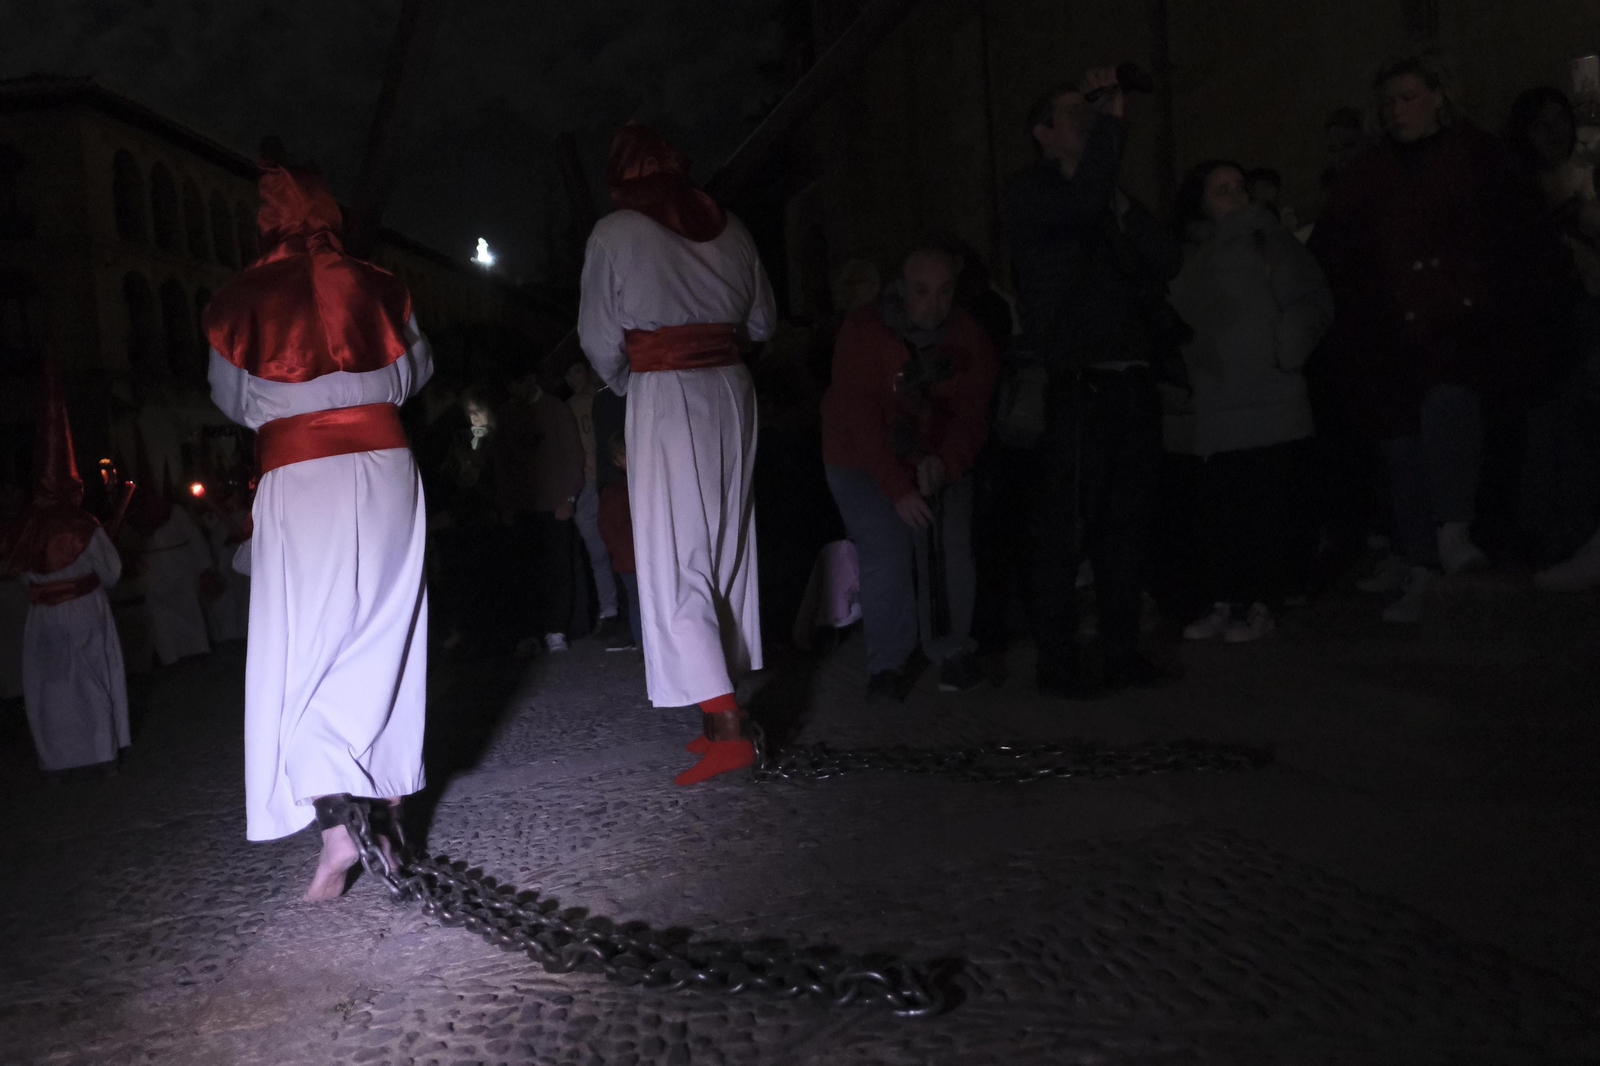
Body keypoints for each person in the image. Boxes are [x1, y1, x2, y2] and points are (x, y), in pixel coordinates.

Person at [203, 160, 431, 900]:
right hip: (388, 461)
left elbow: (233, 400)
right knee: (385, 629)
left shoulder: (237, 300)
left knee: (303, 641)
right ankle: (387, 817)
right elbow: (414, 372)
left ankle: (338, 822)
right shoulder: (380, 283)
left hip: (299, 474)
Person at [1310, 52, 1570, 622]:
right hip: (1392, 331)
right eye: (1388, 102)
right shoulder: (1371, 170)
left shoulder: (1478, 156)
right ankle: (1420, 553)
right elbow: (1339, 245)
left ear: (1437, 96)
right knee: (1400, 436)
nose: (1396, 111)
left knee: (1449, 405)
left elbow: (1517, 236)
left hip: (1461, 324)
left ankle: (1451, 530)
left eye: (1407, 97)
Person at [577, 121, 775, 786]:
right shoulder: (734, 229)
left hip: (666, 394)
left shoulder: (615, 234)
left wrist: (630, 380)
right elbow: (763, 323)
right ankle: (716, 710)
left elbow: (598, 336)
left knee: (675, 553)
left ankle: (726, 727)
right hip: (732, 391)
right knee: (724, 546)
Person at [1004, 66, 1183, 696]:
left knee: (1126, 528)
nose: (1091, 119)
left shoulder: (1106, 196)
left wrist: (1124, 203)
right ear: (1044, 134)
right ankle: (1057, 660)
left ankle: (1121, 652)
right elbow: (1078, 209)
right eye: (1075, 112)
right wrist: (1114, 122)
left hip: (1132, 384)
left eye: (1094, 111)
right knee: (1067, 529)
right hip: (1080, 387)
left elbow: (1166, 258)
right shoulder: (1035, 194)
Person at [1165, 161, 1334, 642]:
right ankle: (1223, 598)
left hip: (1266, 399)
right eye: (1220, 189)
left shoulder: (1269, 241)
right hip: (1211, 405)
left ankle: (1259, 600)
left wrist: (1285, 349)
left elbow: (1311, 299)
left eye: (1238, 185)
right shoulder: (1186, 254)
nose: (1234, 195)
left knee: (1263, 508)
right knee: (1218, 511)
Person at [821, 242, 996, 698]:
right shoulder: (863, 332)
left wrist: (945, 465)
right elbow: (860, 417)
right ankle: (888, 663)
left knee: (950, 548)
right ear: (900, 288)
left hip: (935, 457)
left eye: (943, 292)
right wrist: (898, 488)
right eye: (920, 290)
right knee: (887, 551)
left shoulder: (968, 336)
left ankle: (951, 650)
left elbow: (971, 415)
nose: (932, 304)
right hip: (861, 460)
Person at [6, 362, 129, 774]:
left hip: (42, 618)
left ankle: (57, 759)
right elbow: (111, 572)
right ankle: (101, 754)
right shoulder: (84, 525)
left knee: (49, 686)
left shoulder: (24, 527)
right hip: (85, 612)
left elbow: (21, 572)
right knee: (91, 679)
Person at [1503, 87, 1600, 591]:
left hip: (1580, 315)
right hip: (1548, 326)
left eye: (1559, 120)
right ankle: (1559, 533)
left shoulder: (1579, 180)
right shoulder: (1520, 188)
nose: (1554, 131)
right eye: (1541, 123)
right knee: (1556, 428)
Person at [491, 371, 585, 655]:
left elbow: (573, 456)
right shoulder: (507, 414)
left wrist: (568, 497)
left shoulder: (556, 409)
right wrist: (505, 503)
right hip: (522, 506)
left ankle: (556, 630)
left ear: (530, 378)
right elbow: (501, 462)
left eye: (518, 381)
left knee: (557, 570)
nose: (515, 388)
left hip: (553, 505)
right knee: (525, 573)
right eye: (510, 383)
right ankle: (530, 632)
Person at [565, 361, 622, 640]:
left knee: (621, 544)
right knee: (597, 551)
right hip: (587, 483)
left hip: (611, 478)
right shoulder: (569, 407)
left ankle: (628, 607)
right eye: (568, 373)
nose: (573, 377)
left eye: (576, 370)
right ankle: (610, 610)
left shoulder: (605, 397)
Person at [598, 432, 642, 653]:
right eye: (623, 455)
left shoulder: (650, 483)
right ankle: (644, 648)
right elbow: (606, 528)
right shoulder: (614, 490)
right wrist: (617, 552)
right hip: (628, 560)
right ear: (616, 460)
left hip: (649, 557)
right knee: (636, 602)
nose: (629, 458)